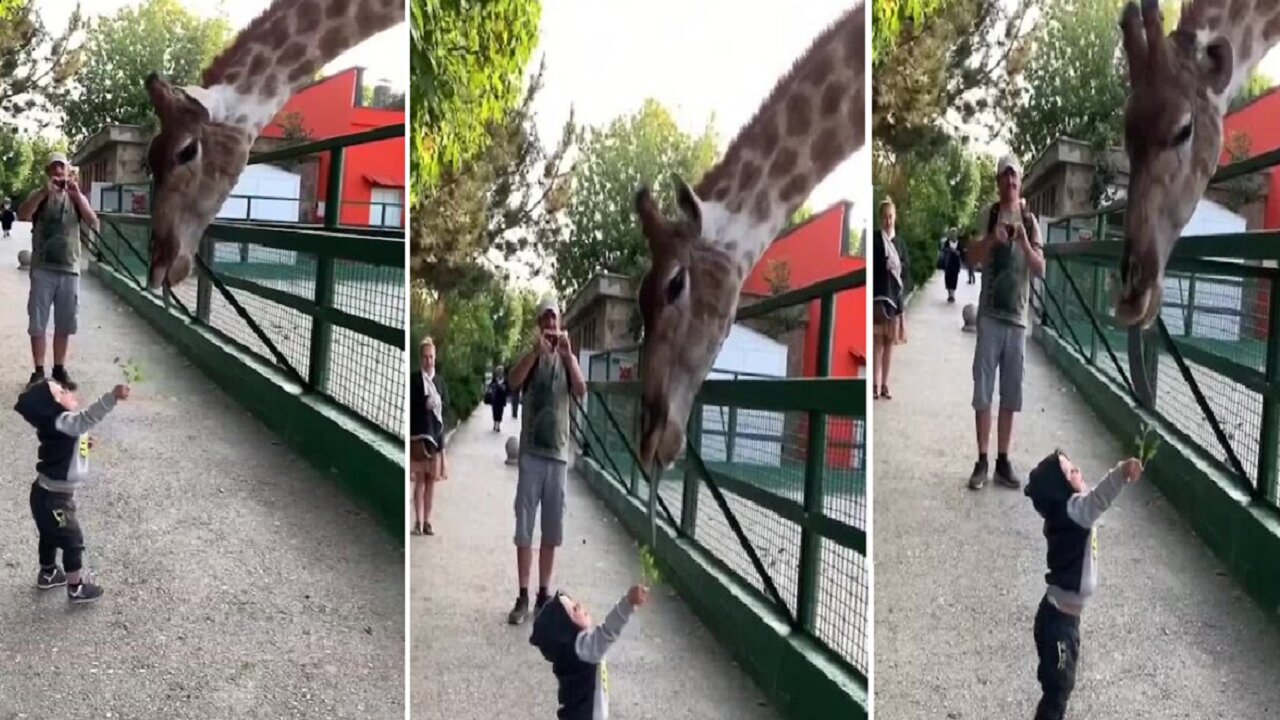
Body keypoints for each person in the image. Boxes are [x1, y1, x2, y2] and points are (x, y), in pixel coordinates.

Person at [1024, 450, 1143, 720]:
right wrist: (1122, 471)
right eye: (1069, 472)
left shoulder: (1065, 514)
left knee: (1059, 689)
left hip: (1060, 619)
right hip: (1059, 623)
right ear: (1060, 490)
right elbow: (1098, 498)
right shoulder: (1074, 510)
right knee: (1057, 694)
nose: (1077, 471)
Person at [504, 298, 587, 625]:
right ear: (540, 324)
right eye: (546, 319)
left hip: (558, 457)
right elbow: (512, 381)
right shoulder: (533, 354)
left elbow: (581, 391)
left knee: (551, 530)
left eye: (555, 318)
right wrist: (535, 353)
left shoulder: (567, 357)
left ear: (560, 321)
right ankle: (522, 596)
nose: (551, 325)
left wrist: (568, 357)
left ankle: (542, 595)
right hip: (531, 455)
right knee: (524, 527)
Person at [965, 156, 1045, 490]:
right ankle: (982, 461)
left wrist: (1024, 241)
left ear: (1020, 181)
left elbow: (1040, 268)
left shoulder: (1030, 219)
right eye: (1005, 176)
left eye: (1014, 176)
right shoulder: (989, 215)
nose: (1010, 181)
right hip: (989, 318)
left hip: (1017, 320)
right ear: (998, 181)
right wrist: (991, 241)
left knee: (1010, 394)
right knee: (983, 391)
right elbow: (970, 257)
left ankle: (1002, 461)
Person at [14, 378, 131, 604]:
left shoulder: (55, 425)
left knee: (49, 535)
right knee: (72, 540)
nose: (68, 391)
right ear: (52, 405)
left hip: (44, 494)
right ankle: (76, 588)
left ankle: (48, 573)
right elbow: (87, 419)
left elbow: (65, 443)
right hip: (55, 499)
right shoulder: (63, 420)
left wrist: (81, 445)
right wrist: (112, 397)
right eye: (61, 391)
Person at [18, 152, 100, 390]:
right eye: (54, 169)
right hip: (43, 268)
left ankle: (59, 369)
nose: (58, 173)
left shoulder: (75, 196)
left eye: (61, 168)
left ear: (68, 171)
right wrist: (44, 192)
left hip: (69, 268)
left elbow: (93, 221)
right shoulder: (40, 196)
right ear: (48, 173)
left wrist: (77, 196)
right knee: (38, 322)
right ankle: (39, 371)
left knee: (65, 323)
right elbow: (23, 214)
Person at [529, 584, 650, 719]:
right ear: (565, 632)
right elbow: (607, 632)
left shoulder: (569, 652)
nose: (580, 605)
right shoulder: (583, 647)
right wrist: (628, 603)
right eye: (574, 609)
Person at [410, 337, 449, 536]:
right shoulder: (415, 380)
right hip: (419, 436)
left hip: (436, 437)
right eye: (425, 357)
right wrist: (423, 405)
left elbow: (446, 409)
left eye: (431, 357)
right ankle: (417, 521)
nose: (429, 361)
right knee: (420, 480)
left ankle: (428, 521)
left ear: (435, 358)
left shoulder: (440, 382)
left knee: (431, 481)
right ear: (420, 359)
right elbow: (410, 406)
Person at [872, 199, 909, 400]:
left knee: (889, 344)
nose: (888, 221)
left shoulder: (900, 244)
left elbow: (906, 270)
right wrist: (883, 264)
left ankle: (885, 384)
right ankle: (874, 385)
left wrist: (897, 267)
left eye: (891, 217)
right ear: (880, 218)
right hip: (879, 298)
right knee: (877, 343)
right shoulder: (876, 241)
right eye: (885, 217)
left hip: (895, 299)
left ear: (895, 218)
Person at [942, 229, 963, 303]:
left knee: (954, 278)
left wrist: (957, 252)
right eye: (952, 234)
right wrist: (949, 250)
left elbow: (961, 252)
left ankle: (952, 294)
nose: (953, 235)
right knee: (948, 278)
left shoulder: (959, 243)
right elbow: (944, 250)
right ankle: (949, 294)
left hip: (956, 264)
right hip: (948, 263)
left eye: (955, 234)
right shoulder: (947, 242)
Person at [487, 365, 509, 432]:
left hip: (501, 399)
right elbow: (490, 386)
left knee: (500, 412)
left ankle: (498, 425)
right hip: (495, 399)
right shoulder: (494, 379)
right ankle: (495, 424)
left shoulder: (505, 380)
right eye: (499, 371)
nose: (500, 373)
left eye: (501, 371)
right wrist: (494, 387)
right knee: (495, 412)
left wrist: (504, 388)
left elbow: (508, 389)